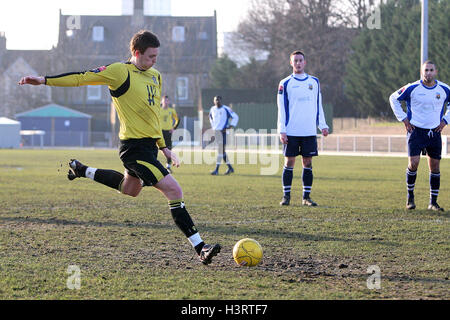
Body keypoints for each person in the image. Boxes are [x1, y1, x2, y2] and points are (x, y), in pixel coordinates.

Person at [18, 30, 221, 264]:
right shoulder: (119, 72)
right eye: (150, 56)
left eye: (156, 56)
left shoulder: (155, 76)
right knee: (174, 190)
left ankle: (82, 170)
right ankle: (201, 248)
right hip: (133, 149)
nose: (155, 61)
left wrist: (164, 148)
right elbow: (81, 77)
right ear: (136, 52)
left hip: (150, 148)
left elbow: (154, 116)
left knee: (129, 189)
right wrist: (44, 80)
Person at [389, 60, 449, 211]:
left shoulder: (444, 89)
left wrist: (445, 120)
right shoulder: (412, 87)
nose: (428, 73)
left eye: (431, 70)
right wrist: (403, 118)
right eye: (426, 70)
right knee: (413, 163)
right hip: (415, 131)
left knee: (434, 166)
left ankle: (433, 203)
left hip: (434, 132)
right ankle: (410, 198)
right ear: (421, 72)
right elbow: (393, 98)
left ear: (436, 72)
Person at [277, 50, 329, 206]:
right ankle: (286, 196)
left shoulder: (314, 82)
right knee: (289, 162)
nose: (298, 63)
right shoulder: (285, 83)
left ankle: (306, 197)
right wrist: (282, 130)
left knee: (307, 162)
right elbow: (281, 108)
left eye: (301, 60)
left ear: (305, 63)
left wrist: (323, 125)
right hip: (291, 131)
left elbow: (318, 104)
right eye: (295, 61)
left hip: (308, 131)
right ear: (291, 63)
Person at [208, 95, 239, 175]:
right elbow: (211, 118)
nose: (217, 101)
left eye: (218, 100)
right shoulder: (212, 109)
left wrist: (230, 127)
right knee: (222, 151)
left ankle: (216, 170)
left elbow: (235, 117)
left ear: (221, 101)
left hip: (223, 132)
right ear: (213, 101)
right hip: (216, 132)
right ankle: (230, 168)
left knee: (220, 150)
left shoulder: (226, 109)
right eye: (215, 100)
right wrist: (213, 128)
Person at [160, 95, 179, 173]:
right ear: (162, 101)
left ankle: (168, 166)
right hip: (160, 132)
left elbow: (178, 119)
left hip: (168, 132)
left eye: (167, 101)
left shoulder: (171, 110)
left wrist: (174, 128)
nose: (166, 102)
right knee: (155, 149)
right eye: (164, 100)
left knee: (169, 149)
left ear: (169, 102)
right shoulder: (158, 110)